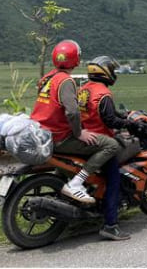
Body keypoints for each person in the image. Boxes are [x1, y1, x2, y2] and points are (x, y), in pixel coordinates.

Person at [30, 40, 119, 205]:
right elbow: (72, 111)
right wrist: (79, 133)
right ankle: (76, 183)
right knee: (111, 145)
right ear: (75, 59)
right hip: (58, 138)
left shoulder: (47, 78)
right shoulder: (66, 81)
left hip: (40, 134)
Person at [77, 56, 147, 241]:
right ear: (105, 72)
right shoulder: (104, 93)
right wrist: (129, 124)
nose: (114, 74)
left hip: (84, 137)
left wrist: (123, 114)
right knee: (114, 180)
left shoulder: (84, 89)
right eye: (112, 70)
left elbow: (104, 113)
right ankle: (110, 225)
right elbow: (109, 120)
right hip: (99, 141)